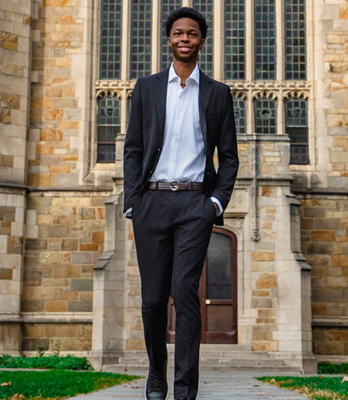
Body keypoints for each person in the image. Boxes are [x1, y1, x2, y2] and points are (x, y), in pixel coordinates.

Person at [123, 7, 239, 400]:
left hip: (195, 205)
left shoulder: (218, 94)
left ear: (201, 41)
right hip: (152, 202)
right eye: (178, 33)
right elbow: (133, 149)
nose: (185, 38)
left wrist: (215, 204)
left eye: (192, 33)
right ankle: (157, 375)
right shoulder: (147, 88)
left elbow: (230, 156)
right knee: (154, 299)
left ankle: (184, 389)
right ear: (168, 40)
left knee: (185, 292)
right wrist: (133, 201)